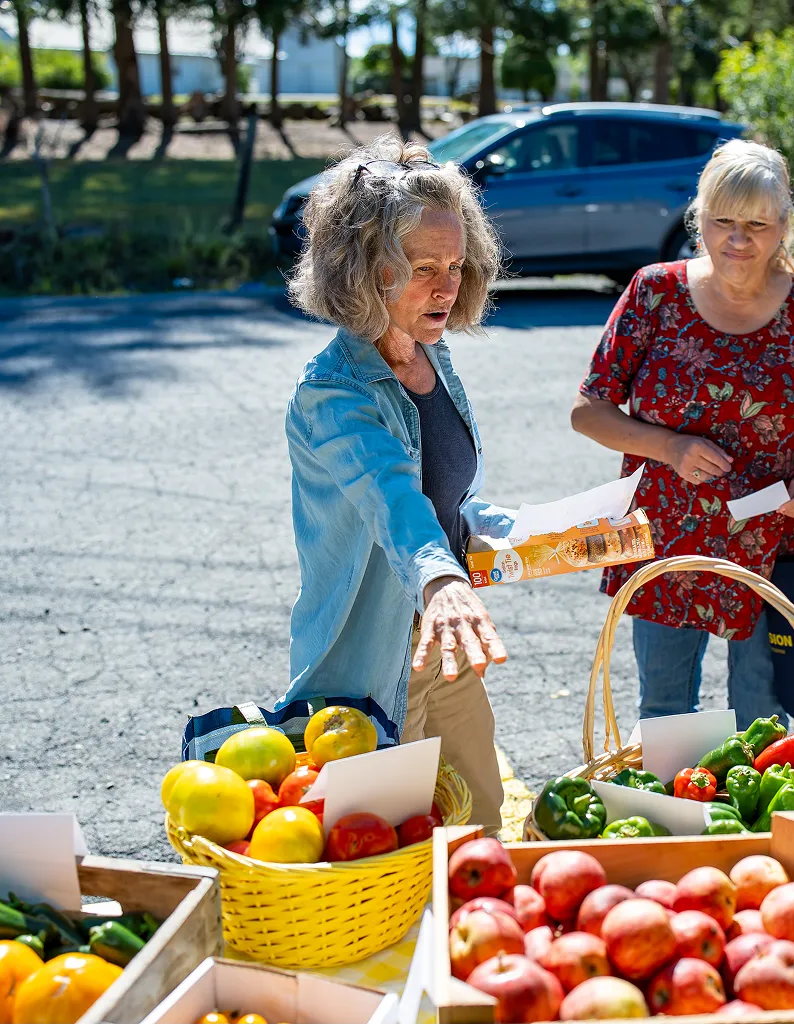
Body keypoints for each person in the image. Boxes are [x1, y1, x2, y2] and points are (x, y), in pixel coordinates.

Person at [571, 139, 794, 731]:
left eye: (755, 223)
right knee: (666, 711)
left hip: (774, 549)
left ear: (784, 226)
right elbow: (588, 410)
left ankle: (760, 825)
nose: (736, 238)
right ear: (697, 217)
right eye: (721, 220)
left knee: (763, 714)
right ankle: (680, 823)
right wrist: (669, 447)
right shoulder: (655, 293)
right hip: (665, 539)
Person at [281, 136, 511, 833]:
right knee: (385, 843)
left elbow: (441, 496)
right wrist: (442, 580)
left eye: (455, 264)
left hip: (440, 639)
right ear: (364, 271)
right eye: (422, 267)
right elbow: (393, 499)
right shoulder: (333, 394)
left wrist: (519, 530)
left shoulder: (431, 355)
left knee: (482, 821)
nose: (446, 285)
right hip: (373, 654)